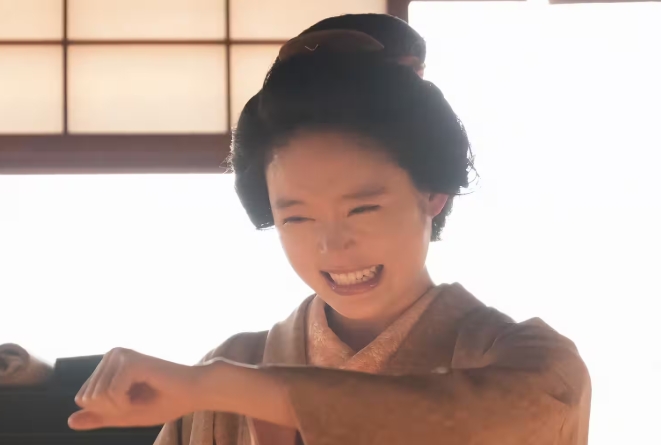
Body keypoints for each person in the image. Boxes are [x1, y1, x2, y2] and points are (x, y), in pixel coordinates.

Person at [67, 14, 591, 445]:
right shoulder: (230, 370)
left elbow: (478, 424)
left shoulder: (530, 363)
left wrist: (234, 388)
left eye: (362, 209)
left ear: (433, 192)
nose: (331, 245)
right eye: (296, 217)